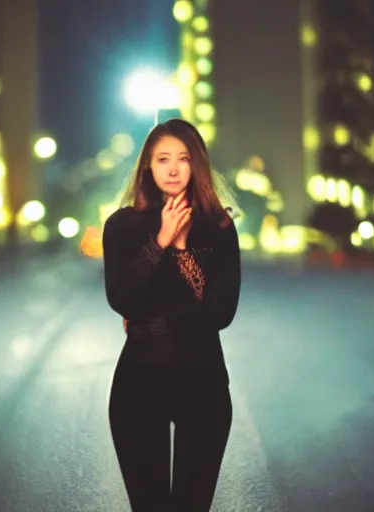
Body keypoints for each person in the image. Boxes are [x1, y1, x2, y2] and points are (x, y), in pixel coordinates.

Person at [101, 118, 241, 512]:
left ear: (197, 165)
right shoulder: (122, 226)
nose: (174, 168)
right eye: (163, 159)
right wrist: (161, 240)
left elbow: (221, 309)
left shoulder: (218, 226)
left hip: (204, 385)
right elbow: (122, 298)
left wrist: (180, 250)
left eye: (184, 158)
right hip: (138, 386)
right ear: (148, 165)